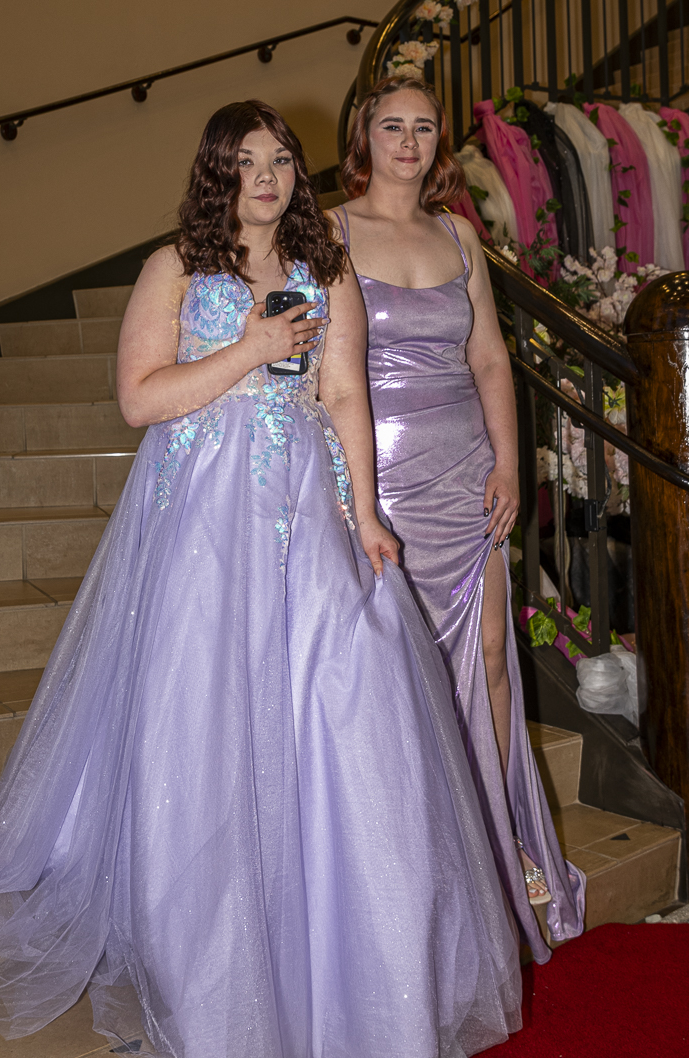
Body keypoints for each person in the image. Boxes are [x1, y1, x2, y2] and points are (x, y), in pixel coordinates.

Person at [0, 100, 521, 1058]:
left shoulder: (325, 269)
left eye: (280, 160)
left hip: (306, 515)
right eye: (245, 161)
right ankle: (212, 985)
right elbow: (140, 399)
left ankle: (355, 994)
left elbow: (345, 397)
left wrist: (366, 515)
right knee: (209, 728)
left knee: (343, 719)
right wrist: (251, 347)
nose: (266, 176)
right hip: (202, 528)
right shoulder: (172, 270)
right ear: (215, 173)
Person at [330, 77, 585, 963]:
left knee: (490, 658)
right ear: (364, 137)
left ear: (440, 141)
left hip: (465, 473)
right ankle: (417, 852)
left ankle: (498, 835)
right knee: (394, 672)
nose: (408, 142)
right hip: (380, 481)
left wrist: (509, 463)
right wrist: (347, 492)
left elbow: (489, 360)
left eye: (424, 128)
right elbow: (328, 374)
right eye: (391, 127)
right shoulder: (329, 230)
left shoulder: (460, 236)